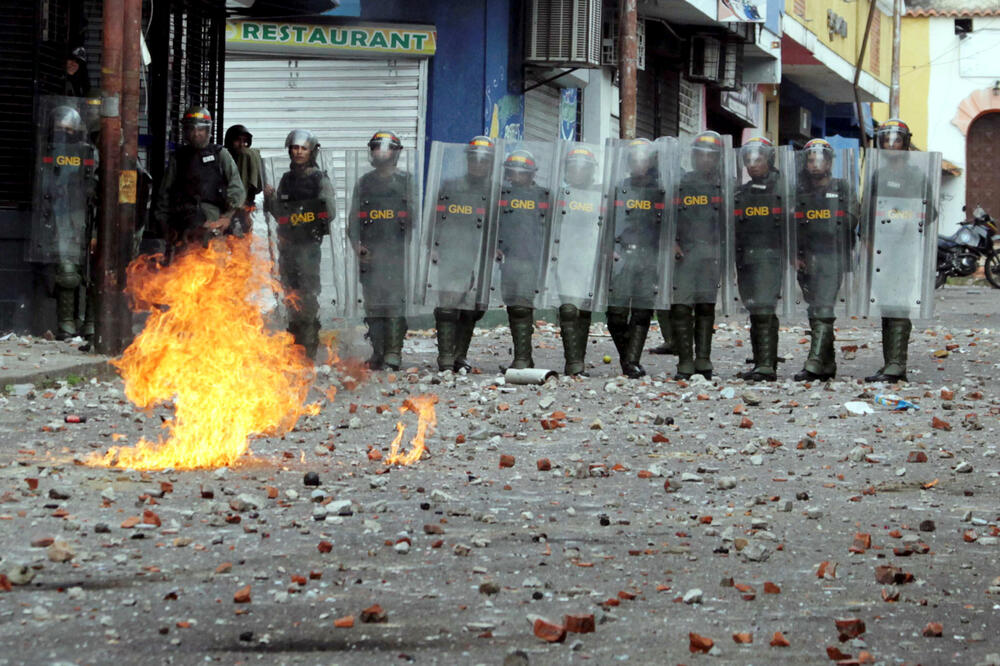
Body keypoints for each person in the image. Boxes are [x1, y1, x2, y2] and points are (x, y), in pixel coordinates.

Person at [864, 118, 931, 382]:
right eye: (886, 139)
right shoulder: (878, 175)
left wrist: (906, 220)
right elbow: (868, 212)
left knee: (900, 305)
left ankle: (897, 364)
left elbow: (930, 211)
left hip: (905, 249)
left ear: (906, 143)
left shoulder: (917, 176)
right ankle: (889, 362)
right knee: (886, 306)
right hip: (881, 249)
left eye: (897, 139)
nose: (891, 144)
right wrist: (868, 243)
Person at [27, 100, 98, 340]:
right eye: (58, 127)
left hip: (85, 216)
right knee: (66, 272)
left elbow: (96, 183)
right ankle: (66, 323)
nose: (63, 133)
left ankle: (90, 323)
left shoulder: (88, 152)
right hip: (57, 214)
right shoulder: (46, 150)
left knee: (92, 273)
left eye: (68, 129)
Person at [428, 136, 499, 373]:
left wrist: (499, 247)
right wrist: (434, 245)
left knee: (473, 308)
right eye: (474, 160)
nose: (478, 165)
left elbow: (502, 224)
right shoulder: (450, 186)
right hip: (452, 251)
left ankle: (460, 355)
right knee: (448, 305)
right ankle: (446, 358)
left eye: (483, 161)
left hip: (480, 256)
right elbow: (435, 219)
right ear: (467, 161)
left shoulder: (496, 190)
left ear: (490, 163)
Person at [264, 129, 337, 360]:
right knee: (290, 295)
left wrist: (309, 217)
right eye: (295, 148)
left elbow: (330, 212)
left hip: (307, 246)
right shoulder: (286, 179)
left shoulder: (319, 178)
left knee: (306, 295)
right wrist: (271, 198)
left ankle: (308, 349)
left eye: (303, 148)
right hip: (288, 247)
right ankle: (294, 347)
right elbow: (280, 215)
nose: (298, 152)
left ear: (311, 151)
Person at [348, 130, 413, 371]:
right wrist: (358, 246)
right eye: (376, 148)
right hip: (370, 254)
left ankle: (394, 353)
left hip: (396, 253)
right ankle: (378, 351)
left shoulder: (407, 181)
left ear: (395, 153)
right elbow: (353, 220)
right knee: (373, 305)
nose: (380, 152)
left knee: (394, 303)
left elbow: (414, 218)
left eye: (385, 148)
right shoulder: (364, 183)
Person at [793, 138, 854, 381]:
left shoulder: (842, 187)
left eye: (819, 159)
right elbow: (792, 225)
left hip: (832, 254)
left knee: (824, 308)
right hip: (807, 257)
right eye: (810, 159)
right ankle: (828, 364)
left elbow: (852, 217)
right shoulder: (799, 190)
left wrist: (829, 225)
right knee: (814, 308)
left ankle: (815, 361)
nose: (814, 164)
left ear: (829, 162)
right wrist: (796, 254)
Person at [606, 138, 665, 379]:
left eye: (643, 159)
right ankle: (627, 357)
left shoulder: (661, 190)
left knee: (642, 311)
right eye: (634, 159)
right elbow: (607, 221)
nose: (638, 164)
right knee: (616, 313)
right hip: (621, 255)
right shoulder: (618, 189)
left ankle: (631, 361)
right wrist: (607, 246)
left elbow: (670, 224)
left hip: (650, 256)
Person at [670, 131, 727, 380]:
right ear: (693, 157)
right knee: (681, 306)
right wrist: (670, 240)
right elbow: (667, 217)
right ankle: (685, 361)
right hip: (684, 254)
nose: (705, 160)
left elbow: (732, 223)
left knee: (706, 306)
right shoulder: (681, 184)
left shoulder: (726, 186)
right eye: (700, 155)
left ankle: (703, 359)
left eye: (710, 156)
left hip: (712, 254)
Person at [152, 106, 245, 255]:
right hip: (184, 226)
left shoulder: (220, 154)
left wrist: (226, 217)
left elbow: (237, 188)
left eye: (200, 129)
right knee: (182, 271)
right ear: (186, 131)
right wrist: (165, 226)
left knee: (215, 271)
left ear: (208, 131)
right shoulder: (178, 158)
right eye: (192, 129)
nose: (196, 134)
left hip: (213, 224)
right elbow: (165, 194)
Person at [734, 136, 786, 381]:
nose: (753, 164)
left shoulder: (784, 188)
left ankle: (766, 365)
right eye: (748, 159)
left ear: (770, 160)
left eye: (759, 158)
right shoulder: (741, 192)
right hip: (746, 258)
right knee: (755, 308)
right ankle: (762, 359)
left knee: (764, 308)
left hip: (771, 256)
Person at [550, 145, 605, 376]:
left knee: (584, 310)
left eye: (583, 169)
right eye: (573, 168)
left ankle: (578, 358)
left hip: (591, 258)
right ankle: (573, 363)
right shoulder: (558, 196)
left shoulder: (602, 196)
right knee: (569, 309)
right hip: (566, 258)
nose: (578, 173)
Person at [496, 149, 551, 369]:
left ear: (531, 174)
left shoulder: (544, 196)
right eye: (511, 172)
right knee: (512, 305)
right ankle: (524, 356)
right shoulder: (502, 195)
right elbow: (494, 223)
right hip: (509, 258)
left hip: (532, 258)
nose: (514, 176)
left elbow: (551, 227)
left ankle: (521, 358)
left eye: (520, 172)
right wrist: (496, 246)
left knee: (522, 306)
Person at [223, 124, 263, 235]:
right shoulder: (222, 160)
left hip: (242, 211)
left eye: (245, 141)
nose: (241, 145)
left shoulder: (248, 156)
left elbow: (256, 188)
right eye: (237, 140)